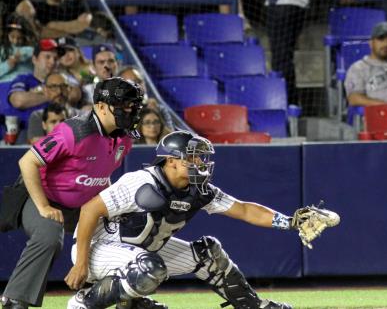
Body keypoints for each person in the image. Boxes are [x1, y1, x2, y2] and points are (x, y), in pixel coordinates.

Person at [64, 130, 300, 309]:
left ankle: (253, 305)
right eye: (192, 157)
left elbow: (245, 210)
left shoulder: (199, 189)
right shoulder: (141, 182)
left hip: (141, 250)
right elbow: (89, 210)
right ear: (171, 160)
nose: (199, 162)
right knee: (149, 268)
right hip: (98, 249)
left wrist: (290, 222)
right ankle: (84, 302)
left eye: (200, 157)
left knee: (209, 254)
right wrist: (81, 263)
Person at [0, 77, 143, 309]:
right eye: (124, 105)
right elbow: (27, 162)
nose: (130, 110)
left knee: (131, 227)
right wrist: (44, 207)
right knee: (49, 234)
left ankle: (127, 296)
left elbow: (99, 171)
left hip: (83, 204)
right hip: (43, 197)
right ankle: (15, 300)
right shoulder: (75, 130)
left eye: (133, 105)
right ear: (101, 106)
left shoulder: (125, 137)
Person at [6, 38, 59, 143]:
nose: (52, 62)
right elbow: (18, 101)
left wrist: (33, 94)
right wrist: (52, 95)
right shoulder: (23, 79)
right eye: (47, 57)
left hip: (58, 131)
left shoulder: (61, 79)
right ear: (35, 59)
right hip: (27, 132)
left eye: (55, 58)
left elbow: (73, 95)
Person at [25, 71, 78, 144]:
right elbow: (36, 142)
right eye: (54, 87)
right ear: (45, 90)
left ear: (68, 89)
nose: (59, 91)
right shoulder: (37, 116)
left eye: (63, 86)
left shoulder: (81, 115)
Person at [0, 14, 35, 82]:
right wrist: (7, 65)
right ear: (7, 35)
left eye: (19, 38)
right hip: (6, 82)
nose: (15, 41)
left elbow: (33, 52)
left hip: (25, 82)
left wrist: (22, 54)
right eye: (12, 37)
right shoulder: (2, 50)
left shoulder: (30, 49)